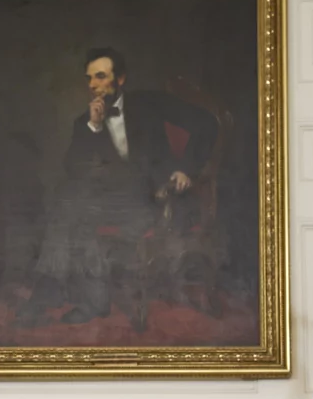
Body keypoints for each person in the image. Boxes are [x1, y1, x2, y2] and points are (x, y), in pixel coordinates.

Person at [18, 47, 219, 330]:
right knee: (69, 203)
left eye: (101, 76)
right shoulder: (84, 122)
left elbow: (207, 123)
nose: (93, 85)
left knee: (71, 207)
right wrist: (95, 128)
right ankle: (85, 300)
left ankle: (55, 295)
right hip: (112, 203)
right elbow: (74, 170)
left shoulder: (151, 103)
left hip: (156, 200)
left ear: (120, 78)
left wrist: (186, 168)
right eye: (89, 78)